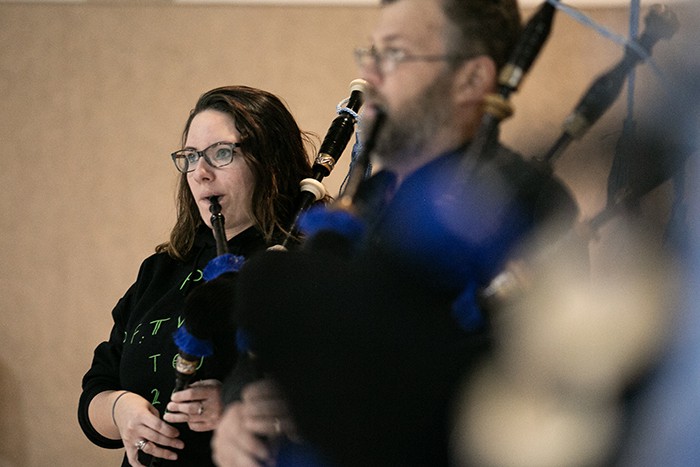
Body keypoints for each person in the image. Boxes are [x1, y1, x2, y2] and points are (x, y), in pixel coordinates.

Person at [211, 0, 582, 466]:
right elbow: (265, 356)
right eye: (369, 54)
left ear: (471, 78)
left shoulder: (524, 203)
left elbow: (523, 408)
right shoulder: (361, 204)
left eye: (395, 54)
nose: (370, 76)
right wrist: (241, 411)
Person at [78, 85, 316, 466]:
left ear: (271, 161)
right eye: (190, 156)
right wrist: (121, 411)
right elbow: (98, 386)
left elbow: (348, 399)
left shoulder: (305, 263)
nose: (200, 173)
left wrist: (238, 406)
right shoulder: (160, 271)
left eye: (221, 154)